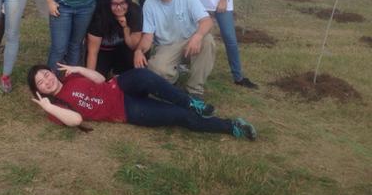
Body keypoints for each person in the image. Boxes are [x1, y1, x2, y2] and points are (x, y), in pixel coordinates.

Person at [27, 63, 257, 140]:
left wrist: (78, 68)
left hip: (120, 86)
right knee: (177, 116)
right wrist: (48, 106)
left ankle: (191, 102)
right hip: (126, 109)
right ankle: (232, 127)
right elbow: (76, 119)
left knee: (145, 75)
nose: (46, 81)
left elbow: (99, 78)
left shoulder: (70, 77)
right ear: (39, 90)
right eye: (40, 82)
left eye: (46, 74)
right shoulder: (55, 108)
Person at [134, 0, 215, 99]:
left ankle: (194, 89)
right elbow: (148, 37)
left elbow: (207, 21)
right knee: (157, 69)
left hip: (190, 41)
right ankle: (173, 78)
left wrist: (198, 36)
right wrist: (138, 51)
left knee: (208, 41)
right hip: (166, 46)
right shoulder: (149, 4)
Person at [86, 0, 142, 78]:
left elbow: (133, 45)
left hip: (122, 48)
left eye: (122, 3)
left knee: (133, 59)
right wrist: (90, 79)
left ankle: (121, 74)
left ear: (128, 2)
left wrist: (125, 27)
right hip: (102, 50)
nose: (119, 7)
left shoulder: (134, 11)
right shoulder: (100, 17)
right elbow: (93, 52)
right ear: (108, 4)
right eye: (114, 4)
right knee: (98, 77)